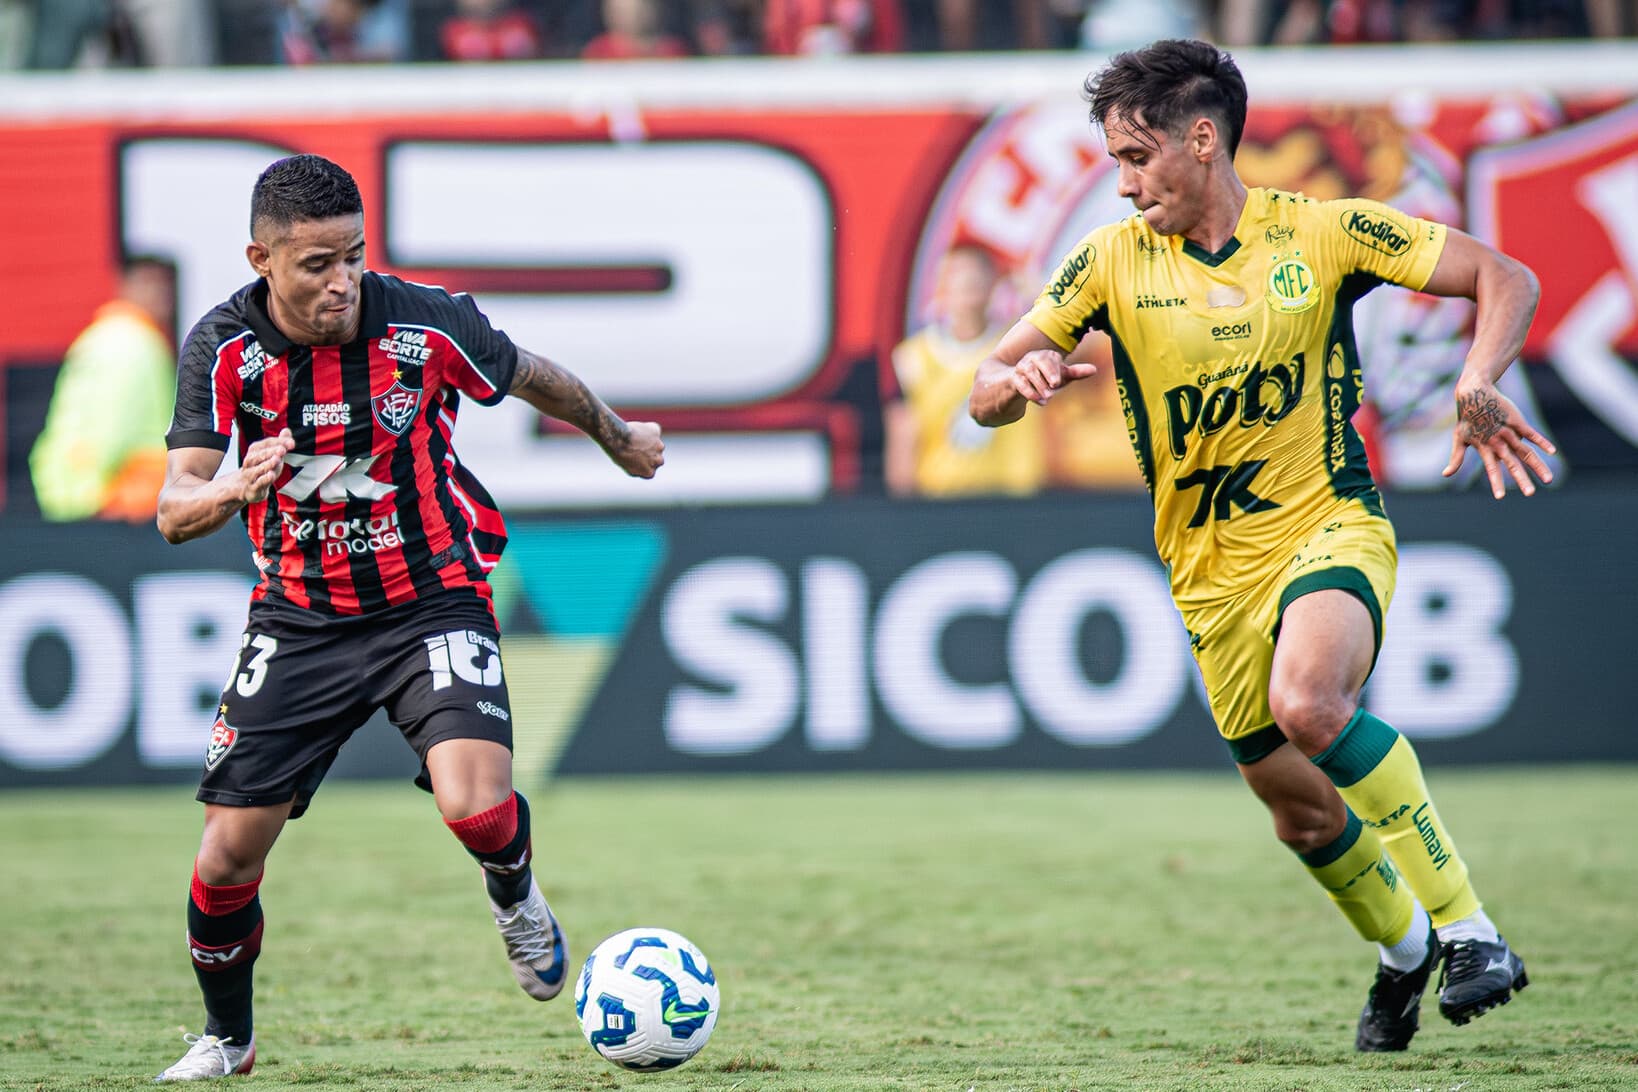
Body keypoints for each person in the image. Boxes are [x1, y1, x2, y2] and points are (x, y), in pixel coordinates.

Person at [969, 39, 1545, 1052]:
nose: (1125, 181)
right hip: (1206, 573)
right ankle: (1404, 950)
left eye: (1137, 156)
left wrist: (1477, 378)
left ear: (1203, 138)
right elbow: (985, 384)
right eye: (1112, 161)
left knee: (1311, 703)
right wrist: (1008, 389)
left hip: (1328, 522)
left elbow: (1503, 274)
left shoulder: (1323, 233)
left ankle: (1471, 933)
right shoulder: (1108, 263)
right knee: (1304, 818)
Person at [152, 154, 664, 1081]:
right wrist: (232, 486)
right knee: (225, 858)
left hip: (430, 598)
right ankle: (229, 1039)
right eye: (316, 264)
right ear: (260, 258)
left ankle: (515, 894)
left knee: (476, 804)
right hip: (299, 617)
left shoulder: (422, 322)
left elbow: (529, 372)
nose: (341, 281)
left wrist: (617, 436)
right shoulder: (221, 348)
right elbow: (174, 507)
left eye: (352, 255)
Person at [885, 243, 1046, 497]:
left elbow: (1081, 344)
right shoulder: (912, 359)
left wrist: (1039, 293)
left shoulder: (1020, 347)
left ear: (991, 286)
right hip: (944, 508)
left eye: (972, 282)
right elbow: (903, 446)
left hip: (1014, 507)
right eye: (955, 281)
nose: (964, 292)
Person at [30, 254, 177, 522]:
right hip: (118, 507)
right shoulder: (132, 343)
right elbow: (111, 428)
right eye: (150, 283)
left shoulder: (104, 335)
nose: (162, 296)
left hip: (89, 500)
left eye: (165, 286)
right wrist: (91, 498)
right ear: (125, 286)